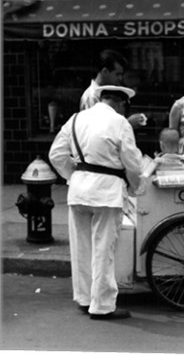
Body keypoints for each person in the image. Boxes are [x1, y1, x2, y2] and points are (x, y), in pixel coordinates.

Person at [49, 85, 145, 320]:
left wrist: (74, 175)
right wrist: (136, 188)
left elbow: (56, 155)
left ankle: (84, 298)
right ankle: (102, 305)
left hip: (79, 191)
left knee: (82, 248)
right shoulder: (120, 122)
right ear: (122, 104)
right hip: (107, 193)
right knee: (104, 250)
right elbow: (132, 162)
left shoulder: (76, 119)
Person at [80, 49, 145, 129]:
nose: (120, 78)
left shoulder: (112, 91)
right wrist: (128, 123)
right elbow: (96, 130)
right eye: (117, 74)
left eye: (121, 75)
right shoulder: (91, 96)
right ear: (105, 72)